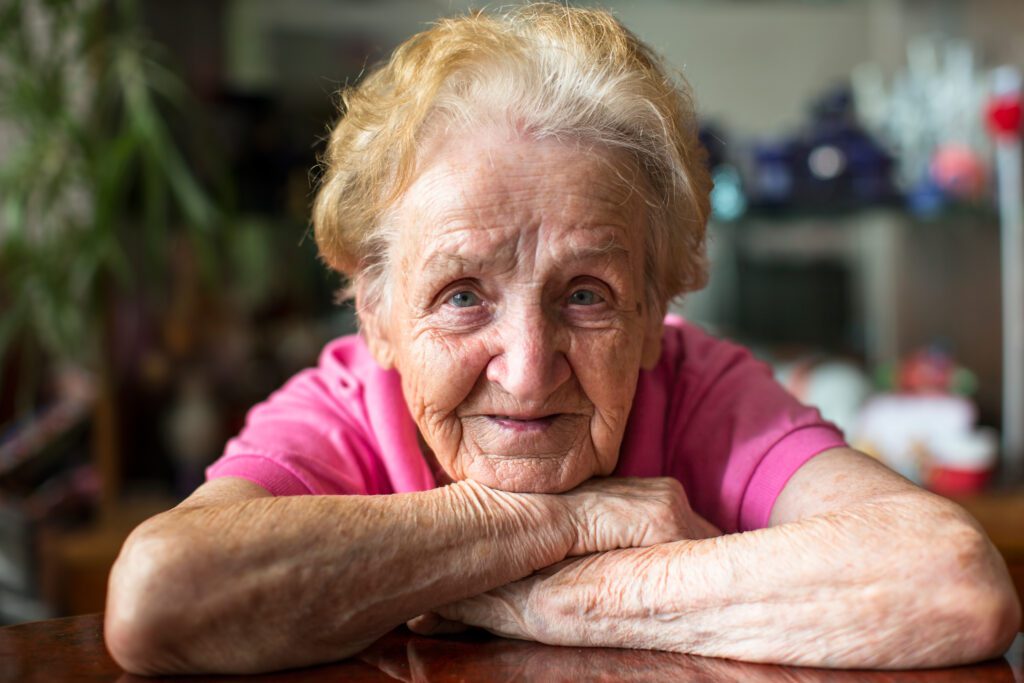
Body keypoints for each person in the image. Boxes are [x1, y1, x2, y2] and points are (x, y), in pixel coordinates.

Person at [104, 4, 1021, 675]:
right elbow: (158, 598)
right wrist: (571, 520)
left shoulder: (697, 384)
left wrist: (544, 595)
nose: (529, 368)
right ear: (374, 313)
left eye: (587, 294)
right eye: (462, 295)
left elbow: (950, 581)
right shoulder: (344, 408)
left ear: (661, 299)